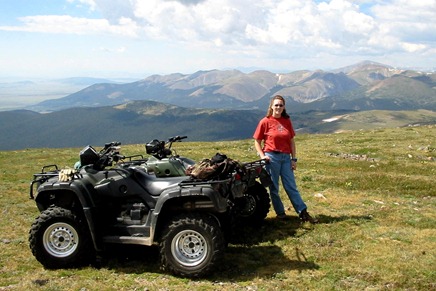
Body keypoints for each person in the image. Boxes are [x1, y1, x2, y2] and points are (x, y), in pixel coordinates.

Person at [253, 95, 318, 223]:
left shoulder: (287, 121)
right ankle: (281, 214)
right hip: (271, 157)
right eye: (276, 105)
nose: (278, 107)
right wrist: (262, 156)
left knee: (291, 186)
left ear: (284, 107)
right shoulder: (265, 122)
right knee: (274, 188)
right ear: (271, 106)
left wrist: (294, 159)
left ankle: (303, 212)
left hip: (286, 158)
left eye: (281, 105)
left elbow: (292, 141)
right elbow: (257, 141)